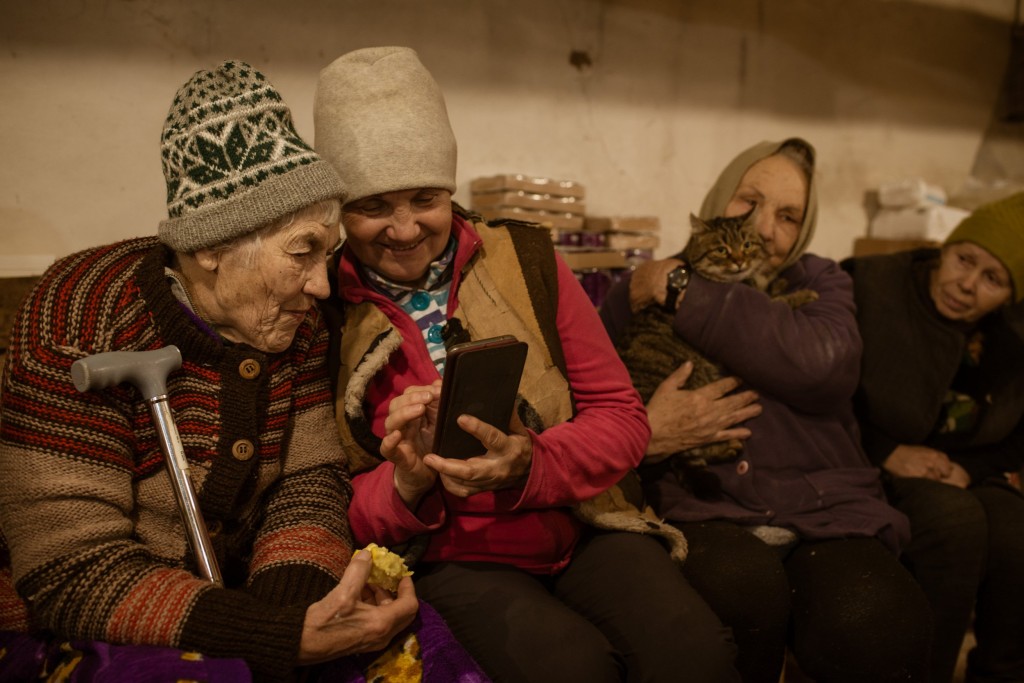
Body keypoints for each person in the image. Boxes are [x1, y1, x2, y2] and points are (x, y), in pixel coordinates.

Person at [313, 46, 740, 683]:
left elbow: (624, 419)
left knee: (693, 656)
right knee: (570, 670)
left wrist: (530, 463)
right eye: (373, 206)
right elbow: (317, 498)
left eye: (425, 198)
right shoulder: (317, 308)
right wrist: (405, 482)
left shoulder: (528, 259)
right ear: (337, 209)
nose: (403, 230)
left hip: (584, 523)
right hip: (449, 556)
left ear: (449, 188)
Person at [0, 61, 434, 683]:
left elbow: (307, 480)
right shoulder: (80, 314)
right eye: (302, 251)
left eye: (328, 250)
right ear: (211, 248)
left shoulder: (293, 318)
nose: (321, 284)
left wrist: (297, 610)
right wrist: (267, 635)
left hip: (242, 600)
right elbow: (67, 568)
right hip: (85, 625)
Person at [600, 138, 933, 682]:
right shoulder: (649, 277)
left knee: (879, 622)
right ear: (717, 201)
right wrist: (646, 432)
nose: (762, 227)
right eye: (748, 202)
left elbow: (823, 366)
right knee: (736, 589)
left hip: (821, 503)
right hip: (700, 504)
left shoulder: (820, 280)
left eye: (788, 216)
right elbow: (591, 385)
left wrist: (684, 290)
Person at [842, 192, 1024, 683]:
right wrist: (888, 451)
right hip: (862, 456)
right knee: (955, 523)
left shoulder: (1013, 334)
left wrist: (973, 470)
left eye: (993, 279)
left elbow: (1020, 434)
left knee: (1015, 525)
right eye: (964, 260)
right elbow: (823, 393)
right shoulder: (869, 284)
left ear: (1010, 295)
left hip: (958, 468)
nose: (966, 286)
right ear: (945, 249)